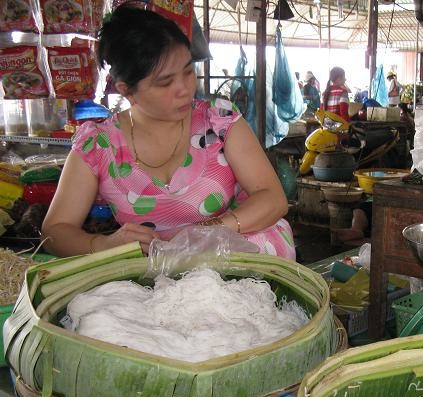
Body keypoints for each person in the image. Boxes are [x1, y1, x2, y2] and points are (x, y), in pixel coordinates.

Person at [41, 5, 295, 260]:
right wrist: (103, 245)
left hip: (237, 258)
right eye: (165, 82)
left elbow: (273, 199)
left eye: (188, 71)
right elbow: (55, 231)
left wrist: (203, 233)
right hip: (157, 276)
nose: (184, 89)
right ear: (126, 90)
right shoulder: (98, 145)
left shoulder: (219, 120)